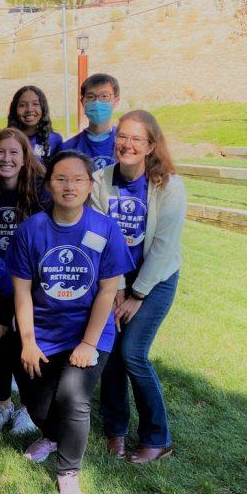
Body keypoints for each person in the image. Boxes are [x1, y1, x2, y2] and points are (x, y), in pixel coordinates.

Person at [7, 150, 134, 494]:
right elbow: (21, 288)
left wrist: (89, 343)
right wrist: (28, 342)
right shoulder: (31, 229)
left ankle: (68, 472)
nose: (69, 186)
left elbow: (109, 289)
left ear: (89, 185)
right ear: (48, 184)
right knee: (37, 402)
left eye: (78, 179)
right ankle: (50, 436)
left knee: (73, 398)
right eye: (61, 178)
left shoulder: (104, 228)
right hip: (41, 331)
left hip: (89, 331)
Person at [89, 111, 186, 464]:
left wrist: (136, 294)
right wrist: (117, 290)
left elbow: (163, 247)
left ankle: (157, 438)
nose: (127, 144)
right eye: (122, 136)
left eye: (136, 139)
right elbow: (102, 238)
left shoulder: (169, 186)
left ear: (150, 146)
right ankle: (115, 432)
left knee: (132, 353)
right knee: (111, 354)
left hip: (156, 280)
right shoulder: (100, 181)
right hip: (115, 280)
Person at [0, 128, 47, 436]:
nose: (7, 159)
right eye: (0, 152)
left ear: (25, 157)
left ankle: (29, 407)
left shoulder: (40, 191)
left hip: (29, 283)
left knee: (24, 342)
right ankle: (3, 404)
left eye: (14, 153)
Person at [61, 73, 120, 171]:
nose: (97, 102)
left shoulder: (126, 144)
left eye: (104, 96)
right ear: (82, 102)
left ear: (116, 101)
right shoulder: (69, 148)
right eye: (90, 97)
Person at [8, 85, 62, 163]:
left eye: (35, 104)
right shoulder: (5, 139)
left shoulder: (54, 140)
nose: (29, 109)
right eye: (22, 105)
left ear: (43, 108)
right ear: (15, 110)